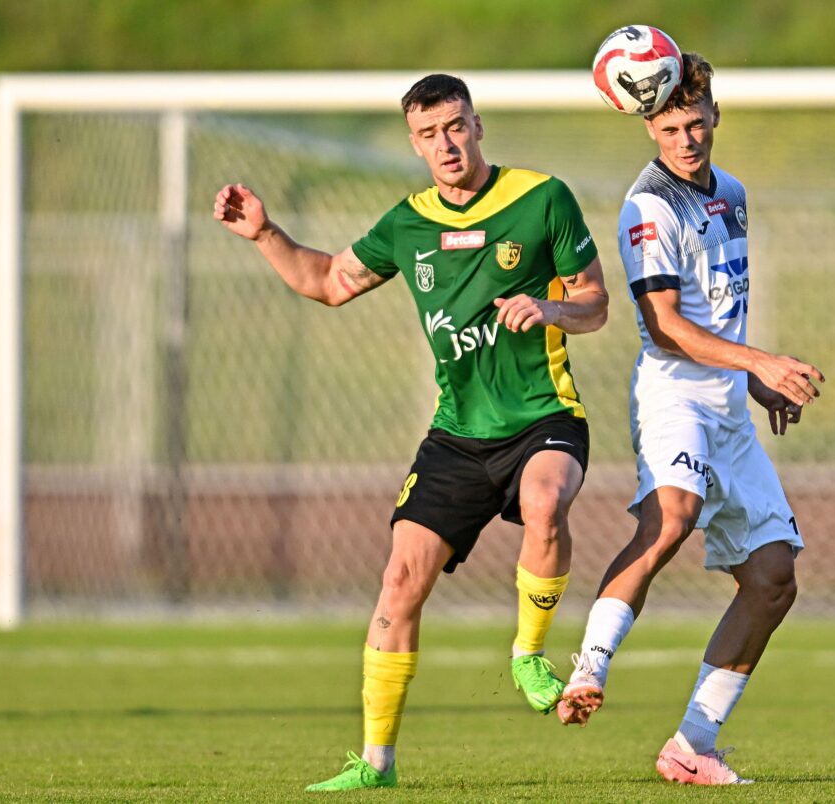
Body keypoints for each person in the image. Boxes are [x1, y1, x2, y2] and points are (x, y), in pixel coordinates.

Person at [213, 74, 608, 792]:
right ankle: (376, 764)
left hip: (544, 416)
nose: (446, 144)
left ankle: (529, 654)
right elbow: (330, 281)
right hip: (457, 437)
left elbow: (595, 303)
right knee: (398, 583)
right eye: (429, 134)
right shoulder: (408, 224)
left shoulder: (542, 198)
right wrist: (265, 233)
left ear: (478, 125)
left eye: (455, 127)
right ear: (414, 143)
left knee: (547, 503)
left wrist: (550, 313)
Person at [556, 53, 824, 786]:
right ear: (648, 124)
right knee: (672, 515)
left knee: (773, 579)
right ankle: (588, 668)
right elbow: (667, 325)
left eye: (696, 123)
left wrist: (755, 383)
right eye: (671, 126)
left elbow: (720, 305)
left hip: (730, 407)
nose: (685, 139)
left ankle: (691, 744)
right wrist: (762, 362)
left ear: (715, 119)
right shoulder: (647, 206)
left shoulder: (731, 193)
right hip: (674, 393)